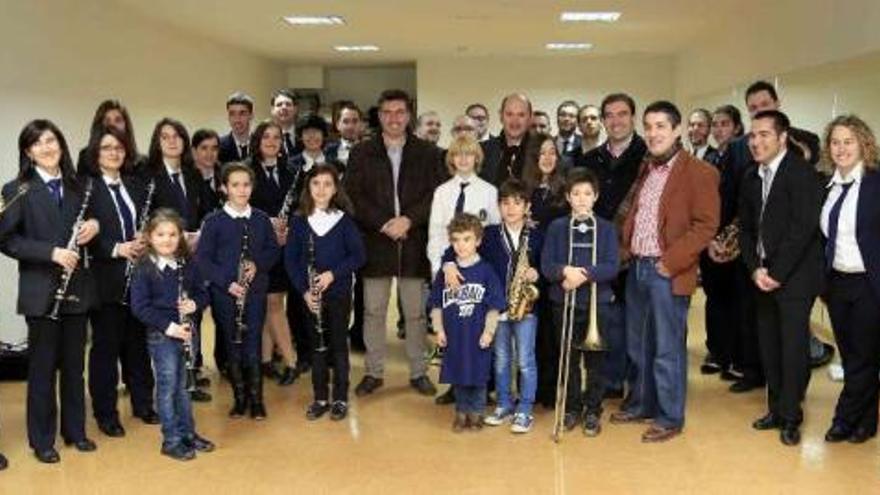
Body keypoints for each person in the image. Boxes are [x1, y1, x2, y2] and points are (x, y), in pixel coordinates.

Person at [611, 101, 719, 443]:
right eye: (649, 126)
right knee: (637, 345)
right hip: (638, 267)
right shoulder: (648, 168)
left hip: (667, 270)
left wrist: (669, 262)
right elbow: (640, 215)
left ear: (677, 130)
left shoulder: (700, 172)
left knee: (666, 348)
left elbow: (706, 226)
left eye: (661, 126)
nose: (653, 133)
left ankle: (670, 417)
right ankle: (642, 403)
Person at [0, 120, 101, 463]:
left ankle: (75, 431)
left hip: (76, 287)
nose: (47, 147)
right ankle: (42, 440)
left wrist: (94, 225)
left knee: (75, 366)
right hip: (41, 288)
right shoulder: (17, 189)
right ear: (28, 151)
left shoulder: (79, 186)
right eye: (38, 143)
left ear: (61, 145)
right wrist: (51, 253)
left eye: (52, 140)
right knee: (42, 368)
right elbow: (7, 239)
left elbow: (94, 220)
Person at [345, 89, 442, 397]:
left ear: (409, 115)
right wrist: (384, 223)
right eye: (387, 112)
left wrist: (408, 220)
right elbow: (353, 195)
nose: (394, 118)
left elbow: (435, 195)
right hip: (375, 241)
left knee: (415, 313)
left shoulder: (428, 152)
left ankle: (418, 372)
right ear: (379, 116)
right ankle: (373, 372)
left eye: (399, 112)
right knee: (373, 311)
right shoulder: (362, 152)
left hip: (414, 242)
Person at [737, 110, 823, 446]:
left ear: (782, 137)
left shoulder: (802, 175)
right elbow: (745, 229)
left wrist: (776, 273)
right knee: (769, 348)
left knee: (792, 348)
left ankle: (791, 415)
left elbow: (801, 231)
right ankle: (775, 408)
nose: (756, 142)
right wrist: (754, 268)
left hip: (795, 279)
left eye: (764, 135)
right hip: (761, 277)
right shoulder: (750, 177)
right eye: (752, 136)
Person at [443, 179, 542, 433]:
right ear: (499, 206)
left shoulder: (537, 234)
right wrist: (449, 265)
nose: (511, 208)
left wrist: (536, 273)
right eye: (505, 203)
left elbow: (548, 264)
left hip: (526, 308)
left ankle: (525, 408)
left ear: (527, 206)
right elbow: (454, 250)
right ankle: (505, 403)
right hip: (496, 310)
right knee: (500, 360)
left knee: (525, 361)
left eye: (517, 203)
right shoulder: (488, 236)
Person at [82, 125, 158, 436]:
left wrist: (145, 239)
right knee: (106, 349)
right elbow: (81, 234)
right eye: (107, 148)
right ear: (95, 154)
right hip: (106, 279)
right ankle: (106, 413)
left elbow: (150, 222)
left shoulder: (136, 185)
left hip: (138, 277)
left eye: (119, 148)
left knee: (138, 345)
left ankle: (143, 404)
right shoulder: (86, 188)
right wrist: (117, 248)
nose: (114, 153)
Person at [575, 93, 648, 400]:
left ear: (633, 117)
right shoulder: (589, 160)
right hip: (600, 254)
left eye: (622, 114)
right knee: (608, 320)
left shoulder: (648, 155)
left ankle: (639, 388)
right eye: (610, 115)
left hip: (637, 254)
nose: (616, 120)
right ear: (603, 121)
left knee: (636, 324)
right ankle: (612, 382)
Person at [196, 163, 280, 420]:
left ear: (252, 187)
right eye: (235, 185)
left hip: (254, 293)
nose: (241, 190)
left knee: (253, 342)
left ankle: (257, 400)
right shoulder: (213, 221)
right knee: (232, 344)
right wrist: (226, 282)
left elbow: (273, 251)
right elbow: (203, 259)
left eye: (246, 185)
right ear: (224, 188)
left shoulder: (262, 219)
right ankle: (239, 399)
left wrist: (258, 264)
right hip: (225, 294)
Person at [130, 208, 214, 461]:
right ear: (149, 237)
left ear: (181, 237)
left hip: (188, 332)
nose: (166, 240)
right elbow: (140, 307)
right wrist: (170, 328)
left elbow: (202, 293)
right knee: (168, 388)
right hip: (163, 335)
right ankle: (171, 440)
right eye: (160, 234)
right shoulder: (144, 268)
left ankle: (188, 433)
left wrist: (195, 305)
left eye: (172, 234)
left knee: (185, 387)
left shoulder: (187, 264)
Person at [541, 170, 620, 435]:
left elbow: (612, 266)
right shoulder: (557, 228)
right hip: (563, 304)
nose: (582, 199)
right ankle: (572, 407)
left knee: (595, 361)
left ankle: (593, 409)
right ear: (567, 197)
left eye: (587, 193)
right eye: (576, 194)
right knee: (569, 359)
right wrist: (565, 271)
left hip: (598, 304)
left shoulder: (607, 229)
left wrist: (582, 274)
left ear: (595, 197)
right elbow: (547, 265)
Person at [286, 164, 366, 421]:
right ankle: (320, 397)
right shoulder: (299, 222)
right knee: (316, 346)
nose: (321, 189)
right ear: (308, 188)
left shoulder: (344, 221)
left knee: (338, 346)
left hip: (339, 293)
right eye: (316, 183)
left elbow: (358, 255)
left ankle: (340, 397)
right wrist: (304, 292)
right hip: (311, 297)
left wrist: (333, 274)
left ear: (335, 189)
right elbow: (291, 261)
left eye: (327, 184)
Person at [820, 115, 880, 444]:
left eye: (848, 141)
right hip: (837, 283)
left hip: (869, 284)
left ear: (863, 144)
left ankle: (844, 419)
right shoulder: (828, 186)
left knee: (865, 355)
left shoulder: (875, 183)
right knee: (852, 354)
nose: (841, 148)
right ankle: (867, 422)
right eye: (835, 142)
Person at [429, 213, 505, 431]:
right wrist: (439, 330)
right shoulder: (446, 273)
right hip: (454, 336)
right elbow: (437, 304)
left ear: (478, 241)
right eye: (456, 240)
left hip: (478, 335)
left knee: (479, 376)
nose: (461, 245)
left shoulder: (486, 271)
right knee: (459, 376)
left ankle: (477, 412)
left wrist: (489, 332)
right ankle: (461, 413)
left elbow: (494, 307)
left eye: (467, 239)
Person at [245, 120, 300, 385]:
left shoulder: (291, 172)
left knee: (271, 303)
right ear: (257, 140)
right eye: (266, 136)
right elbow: (239, 208)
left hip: (284, 245)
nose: (271, 141)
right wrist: (267, 223)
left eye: (276, 137)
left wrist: (288, 228)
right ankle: (291, 361)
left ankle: (266, 359)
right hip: (258, 246)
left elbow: (299, 207)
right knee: (274, 303)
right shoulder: (246, 171)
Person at [522, 134, 569, 407]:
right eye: (542, 153)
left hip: (553, 271)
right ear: (534, 158)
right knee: (530, 334)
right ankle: (530, 389)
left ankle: (550, 391)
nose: (548, 158)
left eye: (553, 152)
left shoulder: (564, 192)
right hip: (528, 270)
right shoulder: (525, 191)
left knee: (551, 335)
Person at [700, 105, 746, 381]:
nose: (718, 129)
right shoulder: (711, 157)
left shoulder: (742, 157)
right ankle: (717, 353)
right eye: (714, 124)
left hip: (733, 241)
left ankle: (736, 358)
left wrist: (728, 236)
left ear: (737, 128)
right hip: (710, 240)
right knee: (714, 300)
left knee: (735, 301)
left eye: (724, 124)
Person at [427, 135, 500, 278]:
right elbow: (435, 233)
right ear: (451, 159)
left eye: (468, 154)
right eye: (458, 154)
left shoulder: (490, 191)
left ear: (477, 158)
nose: (463, 159)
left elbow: (494, 233)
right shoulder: (442, 191)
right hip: (447, 266)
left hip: (479, 266)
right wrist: (438, 266)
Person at [480, 93, 540, 186]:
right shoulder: (481, 151)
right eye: (509, 114)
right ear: (501, 116)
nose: (514, 120)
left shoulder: (542, 151)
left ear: (530, 117)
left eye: (521, 115)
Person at [77, 99, 146, 174]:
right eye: (107, 121)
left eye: (118, 120)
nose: (112, 125)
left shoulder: (140, 162)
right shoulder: (85, 157)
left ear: (126, 126)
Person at [219, 91, 254, 163]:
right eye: (232, 114)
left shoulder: (261, 144)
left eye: (242, 113)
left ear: (251, 115)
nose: (237, 119)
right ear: (228, 117)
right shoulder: (218, 146)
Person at [270, 88, 301, 159]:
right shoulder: (265, 138)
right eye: (279, 105)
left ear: (295, 109)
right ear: (272, 110)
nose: (284, 108)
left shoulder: (304, 134)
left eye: (288, 104)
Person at [555, 100, 581, 168]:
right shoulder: (549, 142)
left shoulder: (584, 143)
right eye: (563, 115)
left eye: (571, 116)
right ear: (557, 118)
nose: (566, 119)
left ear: (578, 121)